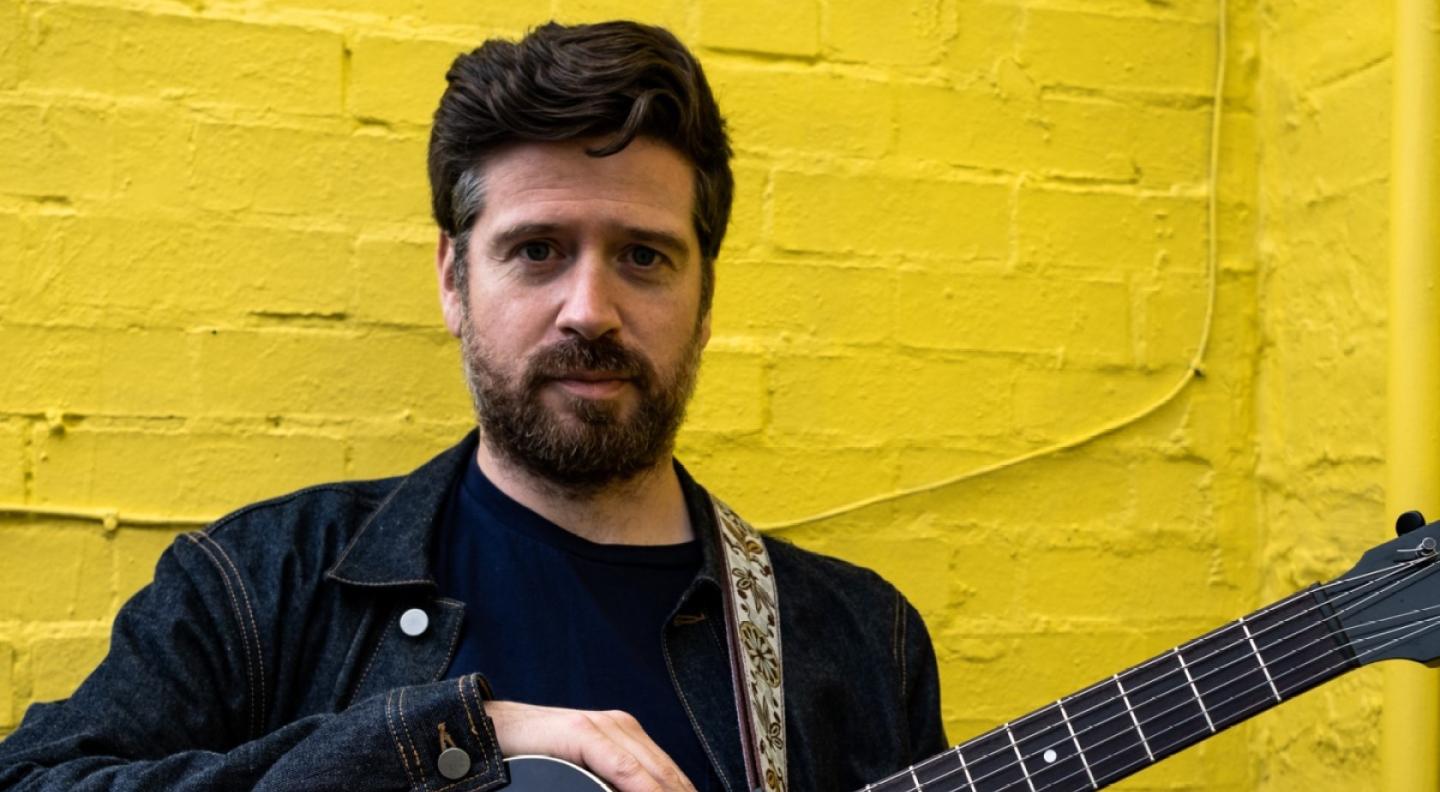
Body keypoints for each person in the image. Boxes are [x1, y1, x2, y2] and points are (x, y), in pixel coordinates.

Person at [0, 20, 946, 792]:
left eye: (644, 256)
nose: (591, 310)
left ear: (705, 301)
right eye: (537, 249)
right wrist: (442, 744)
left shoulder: (859, 641)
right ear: (454, 280)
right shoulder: (260, 586)